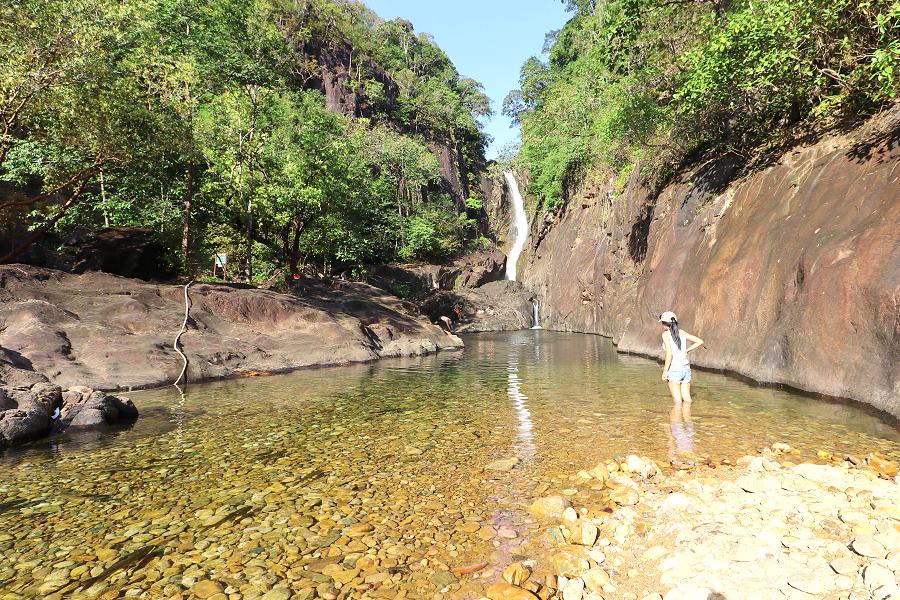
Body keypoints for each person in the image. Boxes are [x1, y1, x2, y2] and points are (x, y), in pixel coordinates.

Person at [659, 311, 704, 406]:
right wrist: (687, 350)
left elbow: (669, 354)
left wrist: (665, 371)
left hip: (675, 368)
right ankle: (688, 420)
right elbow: (700, 341)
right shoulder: (682, 332)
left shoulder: (665, 335)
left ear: (664, 324)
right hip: (686, 368)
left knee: (677, 402)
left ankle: (677, 421)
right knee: (687, 400)